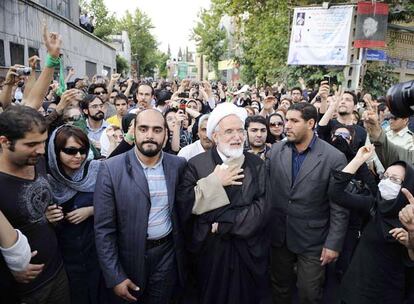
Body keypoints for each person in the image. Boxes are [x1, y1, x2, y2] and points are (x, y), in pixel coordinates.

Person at [177, 102, 272, 304]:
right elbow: (185, 206)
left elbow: (263, 208)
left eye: (240, 131)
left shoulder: (256, 165)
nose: (237, 137)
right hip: (210, 253)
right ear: (215, 136)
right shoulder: (196, 164)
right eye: (229, 131)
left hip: (247, 251)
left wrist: (225, 223)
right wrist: (215, 183)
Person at [94, 109, 186, 303]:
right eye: (143, 129)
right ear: (133, 131)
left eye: (157, 130)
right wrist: (115, 275)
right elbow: (104, 230)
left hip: (167, 256)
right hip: (128, 259)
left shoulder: (178, 165)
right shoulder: (111, 169)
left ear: (166, 134)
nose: (150, 135)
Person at [266, 102, 348, 304]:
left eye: (294, 121)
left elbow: (339, 207)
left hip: (313, 240)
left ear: (311, 123)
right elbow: (266, 191)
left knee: (309, 293)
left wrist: (333, 244)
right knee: (279, 287)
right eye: (287, 120)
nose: (287, 126)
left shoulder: (333, 158)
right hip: (279, 235)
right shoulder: (276, 151)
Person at [0, 106, 70, 304]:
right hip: (23, 292)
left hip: (56, 272)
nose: (41, 150)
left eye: (43, 142)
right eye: (31, 144)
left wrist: (47, 216)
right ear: (5, 142)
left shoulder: (34, 159)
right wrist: (9, 270)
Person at [329, 145, 414, 304]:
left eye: (395, 180)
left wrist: (411, 237)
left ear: (407, 186)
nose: (387, 182)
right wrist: (358, 160)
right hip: (355, 289)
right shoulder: (374, 205)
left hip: (387, 294)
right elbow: (336, 193)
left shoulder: (410, 218)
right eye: (385, 176)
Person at [46, 125, 102, 303]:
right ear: (55, 151)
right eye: (70, 151)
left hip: (98, 253)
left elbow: (120, 204)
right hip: (66, 260)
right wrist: (49, 218)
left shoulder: (97, 170)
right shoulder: (46, 181)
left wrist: (92, 210)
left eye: (83, 150)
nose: (78, 156)